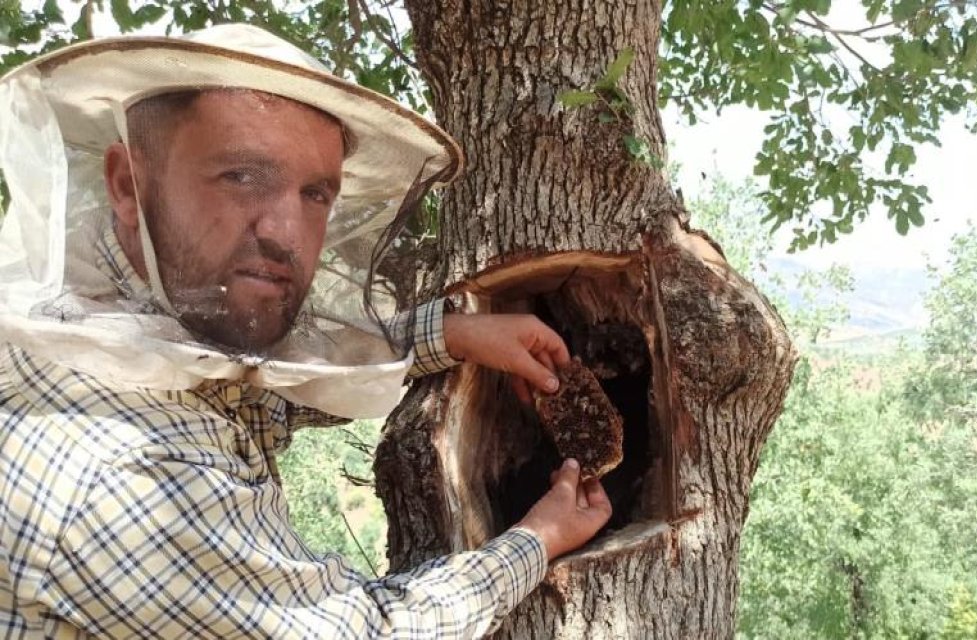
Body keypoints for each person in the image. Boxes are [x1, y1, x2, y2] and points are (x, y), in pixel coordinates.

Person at [0, 24, 611, 638]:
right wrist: (538, 538)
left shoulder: (132, 328)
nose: (288, 234)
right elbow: (366, 631)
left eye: (317, 192)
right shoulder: (117, 475)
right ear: (128, 184)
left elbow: (268, 397)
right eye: (242, 175)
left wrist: (451, 335)